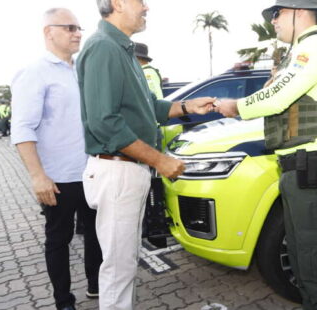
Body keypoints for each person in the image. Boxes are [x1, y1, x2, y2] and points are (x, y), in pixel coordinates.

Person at [214, 1, 317, 309]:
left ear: (298, 11)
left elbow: (278, 98)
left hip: (314, 171)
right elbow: (283, 98)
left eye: (277, 13)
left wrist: (236, 106)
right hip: (302, 171)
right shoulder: (301, 52)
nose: (273, 21)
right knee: (304, 263)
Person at [78, 0, 215, 308]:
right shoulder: (103, 48)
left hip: (128, 170)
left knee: (125, 263)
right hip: (118, 171)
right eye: (141, 1)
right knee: (119, 268)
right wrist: (160, 160)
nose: (147, 7)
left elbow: (149, 107)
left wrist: (187, 106)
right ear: (118, 3)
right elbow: (104, 122)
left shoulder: (122, 50)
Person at [12, 8, 103, 310]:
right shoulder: (35, 72)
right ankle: (63, 300)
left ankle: (95, 284)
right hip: (58, 177)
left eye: (79, 28)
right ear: (48, 32)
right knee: (58, 240)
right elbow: (23, 128)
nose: (78, 33)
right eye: (69, 27)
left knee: (96, 234)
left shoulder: (83, 69)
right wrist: (38, 176)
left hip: (92, 170)